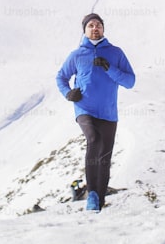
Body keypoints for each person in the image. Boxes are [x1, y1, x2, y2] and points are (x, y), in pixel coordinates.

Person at [55, 13, 136, 212]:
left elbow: (130, 81)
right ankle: (91, 195)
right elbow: (61, 77)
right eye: (90, 25)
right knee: (93, 139)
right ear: (84, 30)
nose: (95, 28)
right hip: (85, 108)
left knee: (105, 157)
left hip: (108, 112)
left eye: (98, 25)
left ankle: (99, 201)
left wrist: (109, 68)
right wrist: (68, 93)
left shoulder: (116, 53)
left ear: (103, 29)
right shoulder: (77, 55)